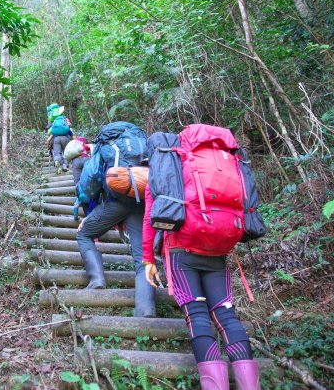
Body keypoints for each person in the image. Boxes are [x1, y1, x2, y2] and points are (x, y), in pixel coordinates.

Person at [143, 183, 261, 389]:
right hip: (216, 244)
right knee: (227, 315)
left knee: (197, 315)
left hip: (180, 247)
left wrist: (147, 258)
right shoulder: (219, 153)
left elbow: (149, 216)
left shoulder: (163, 162)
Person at [76, 122, 156, 318]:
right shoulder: (144, 144)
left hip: (116, 202)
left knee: (84, 233)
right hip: (142, 204)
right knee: (142, 259)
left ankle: (96, 280)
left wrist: (84, 201)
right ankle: (146, 310)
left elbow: (90, 181)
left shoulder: (105, 145)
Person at [46, 104, 73, 174]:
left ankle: (57, 161)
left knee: (57, 153)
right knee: (66, 153)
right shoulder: (65, 120)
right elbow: (71, 133)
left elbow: (48, 139)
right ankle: (65, 165)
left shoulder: (54, 123)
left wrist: (48, 146)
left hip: (56, 139)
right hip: (66, 138)